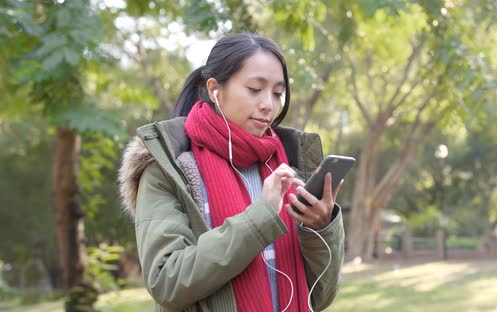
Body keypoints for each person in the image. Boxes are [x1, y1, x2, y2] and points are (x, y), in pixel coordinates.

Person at [118, 33, 345, 312]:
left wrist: (320, 228)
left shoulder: (288, 168)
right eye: (254, 89)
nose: (268, 105)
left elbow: (320, 297)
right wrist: (262, 216)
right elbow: (166, 281)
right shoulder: (168, 170)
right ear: (215, 89)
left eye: (277, 93)